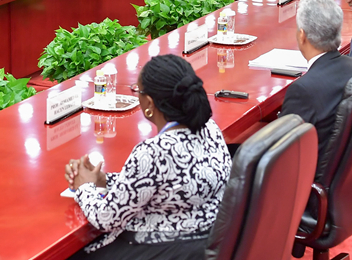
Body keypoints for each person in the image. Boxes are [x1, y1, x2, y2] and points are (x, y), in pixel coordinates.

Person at [65, 55, 231, 259]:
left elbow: (106, 218)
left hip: (163, 249)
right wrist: (103, 179)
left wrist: (84, 186)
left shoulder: (154, 151)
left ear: (149, 103)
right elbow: (159, 183)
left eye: (138, 91)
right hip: (206, 244)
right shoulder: (210, 129)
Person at [280, 0, 352, 161]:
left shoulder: (303, 90)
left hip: (311, 169)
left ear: (302, 35)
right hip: (346, 163)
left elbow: (279, 148)